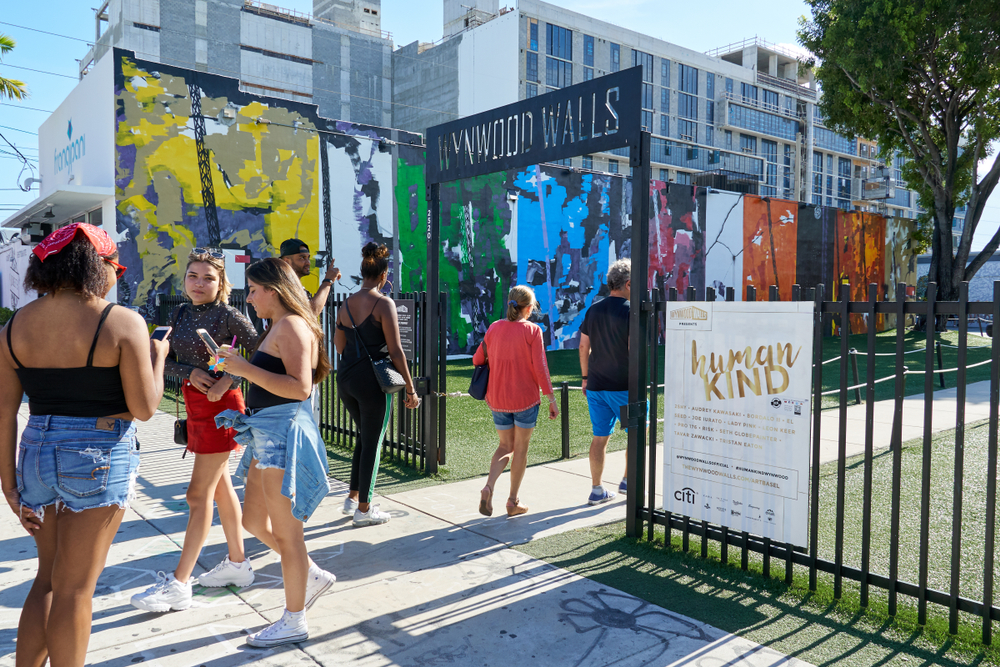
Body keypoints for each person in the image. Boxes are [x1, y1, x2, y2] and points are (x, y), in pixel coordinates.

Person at [0, 223, 167, 666]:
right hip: (96, 454)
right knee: (76, 588)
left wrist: (8, 485)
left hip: (36, 453)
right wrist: (158, 359)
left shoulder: (16, 325)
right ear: (99, 266)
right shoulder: (121, 321)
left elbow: (3, 414)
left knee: (47, 580)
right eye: (115, 265)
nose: (118, 274)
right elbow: (145, 407)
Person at [213, 257, 334, 648]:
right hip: (265, 433)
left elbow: (300, 388)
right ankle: (310, 574)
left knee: (288, 534)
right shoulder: (279, 326)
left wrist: (245, 369)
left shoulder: (293, 326)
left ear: (274, 290)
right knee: (252, 521)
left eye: (252, 289)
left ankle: (294, 618)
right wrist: (238, 367)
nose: (248, 298)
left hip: (282, 434)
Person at [130, 249, 259, 613]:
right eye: (193, 276)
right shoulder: (181, 312)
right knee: (220, 489)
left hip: (223, 408)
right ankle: (238, 564)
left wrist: (229, 377)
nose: (199, 283)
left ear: (221, 284)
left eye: (208, 278)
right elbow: (164, 359)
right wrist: (190, 372)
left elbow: (264, 355)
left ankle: (180, 583)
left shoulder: (230, 314)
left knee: (196, 495)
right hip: (196, 404)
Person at [333, 243, 421, 527]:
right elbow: (396, 351)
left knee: (364, 436)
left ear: (363, 272)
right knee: (373, 443)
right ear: (384, 274)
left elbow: (339, 344)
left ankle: (352, 497)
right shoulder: (384, 303)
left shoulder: (346, 303)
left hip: (346, 379)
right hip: (373, 384)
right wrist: (410, 388)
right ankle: (364, 509)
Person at [472, 285, 558, 518]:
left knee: (504, 446)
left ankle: (488, 486)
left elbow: (477, 359)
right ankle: (512, 501)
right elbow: (540, 368)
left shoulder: (494, 328)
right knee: (520, 449)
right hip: (525, 400)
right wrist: (551, 398)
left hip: (497, 398)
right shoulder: (532, 330)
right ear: (529, 308)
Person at [579, 259, 631, 505]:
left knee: (599, 438)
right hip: (624, 385)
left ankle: (596, 489)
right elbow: (633, 349)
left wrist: (585, 378)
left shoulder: (594, 309)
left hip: (596, 385)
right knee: (638, 435)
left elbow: (583, 346)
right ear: (628, 284)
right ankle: (628, 482)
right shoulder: (631, 309)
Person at [279, 238, 341, 317]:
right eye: (302, 258)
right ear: (286, 261)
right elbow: (311, 313)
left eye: (308, 257)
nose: (308, 262)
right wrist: (328, 281)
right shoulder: (283, 286)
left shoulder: (291, 285)